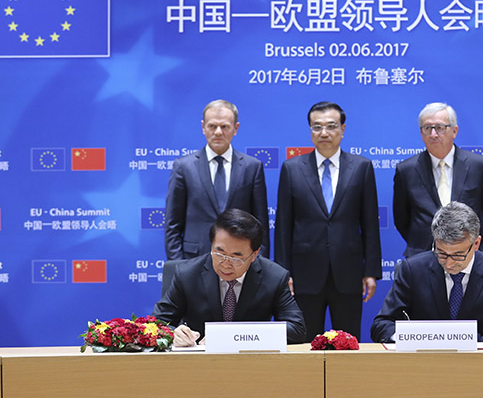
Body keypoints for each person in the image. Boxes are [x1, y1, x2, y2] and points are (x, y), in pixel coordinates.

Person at [275, 101, 381, 342]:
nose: (324, 132)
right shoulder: (292, 168)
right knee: (304, 344)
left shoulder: (362, 167)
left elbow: (370, 224)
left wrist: (371, 271)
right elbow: (283, 226)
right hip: (304, 275)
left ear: (343, 129)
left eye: (331, 126)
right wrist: (283, 273)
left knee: (349, 343)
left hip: (348, 273)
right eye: (317, 126)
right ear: (310, 130)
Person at [371, 201, 483, 343]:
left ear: (476, 244)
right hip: (423, 359)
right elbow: (382, 325)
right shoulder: (412, 270)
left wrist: (457, 340)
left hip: (478, 361)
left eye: (458, 255)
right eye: (441, 253)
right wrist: (415, 338)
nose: (449, 263)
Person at [154, 208, 306, 346]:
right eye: (219, 253)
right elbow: (155, 324)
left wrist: (233, 335)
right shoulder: (187, 274)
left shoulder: (274, 277)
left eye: (236, 258)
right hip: (199, 361)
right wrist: (173, 334)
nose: (226, 264)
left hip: (250, 362)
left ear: (254, 254)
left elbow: (297, 329)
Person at [393, 102, 483, 257]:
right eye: (427, 128)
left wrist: (468, 247)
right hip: (422, 258)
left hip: (469, 257)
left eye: (440, 127)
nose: (433, 134)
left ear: (454, 131)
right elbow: (402, 220)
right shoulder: (406, 170)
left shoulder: (479, 166)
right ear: (421, 133)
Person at [165, 100, 270, 260]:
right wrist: (178, 267)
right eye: (212, 126)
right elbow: (173, 224)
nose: (218, 132)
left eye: (225, 126)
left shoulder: (252, 167)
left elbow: (261, 225)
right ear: (203, 127)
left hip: (239, 261)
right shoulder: (184, 167)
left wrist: (257, 265)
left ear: (236, 128)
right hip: (194, 260)